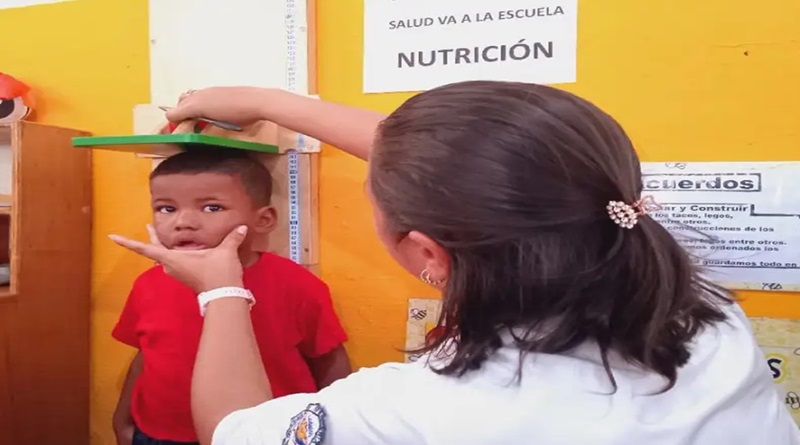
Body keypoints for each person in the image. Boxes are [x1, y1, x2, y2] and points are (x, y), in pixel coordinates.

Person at [110, 81, 800, 445]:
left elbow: (234, 433)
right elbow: (486, 168)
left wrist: (220, 292)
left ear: (427, 254)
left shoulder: (429, 409)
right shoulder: (701, 313)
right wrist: (265, 101)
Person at [111, 149, 351, 445]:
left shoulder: (296, 284)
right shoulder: (149, 283)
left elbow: (328, 360)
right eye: (166, 208)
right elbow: (148, 352)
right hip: (159, 434)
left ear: (263, 220)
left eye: (212, 208)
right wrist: (124, 419)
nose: (183, 222)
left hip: (264, 434)